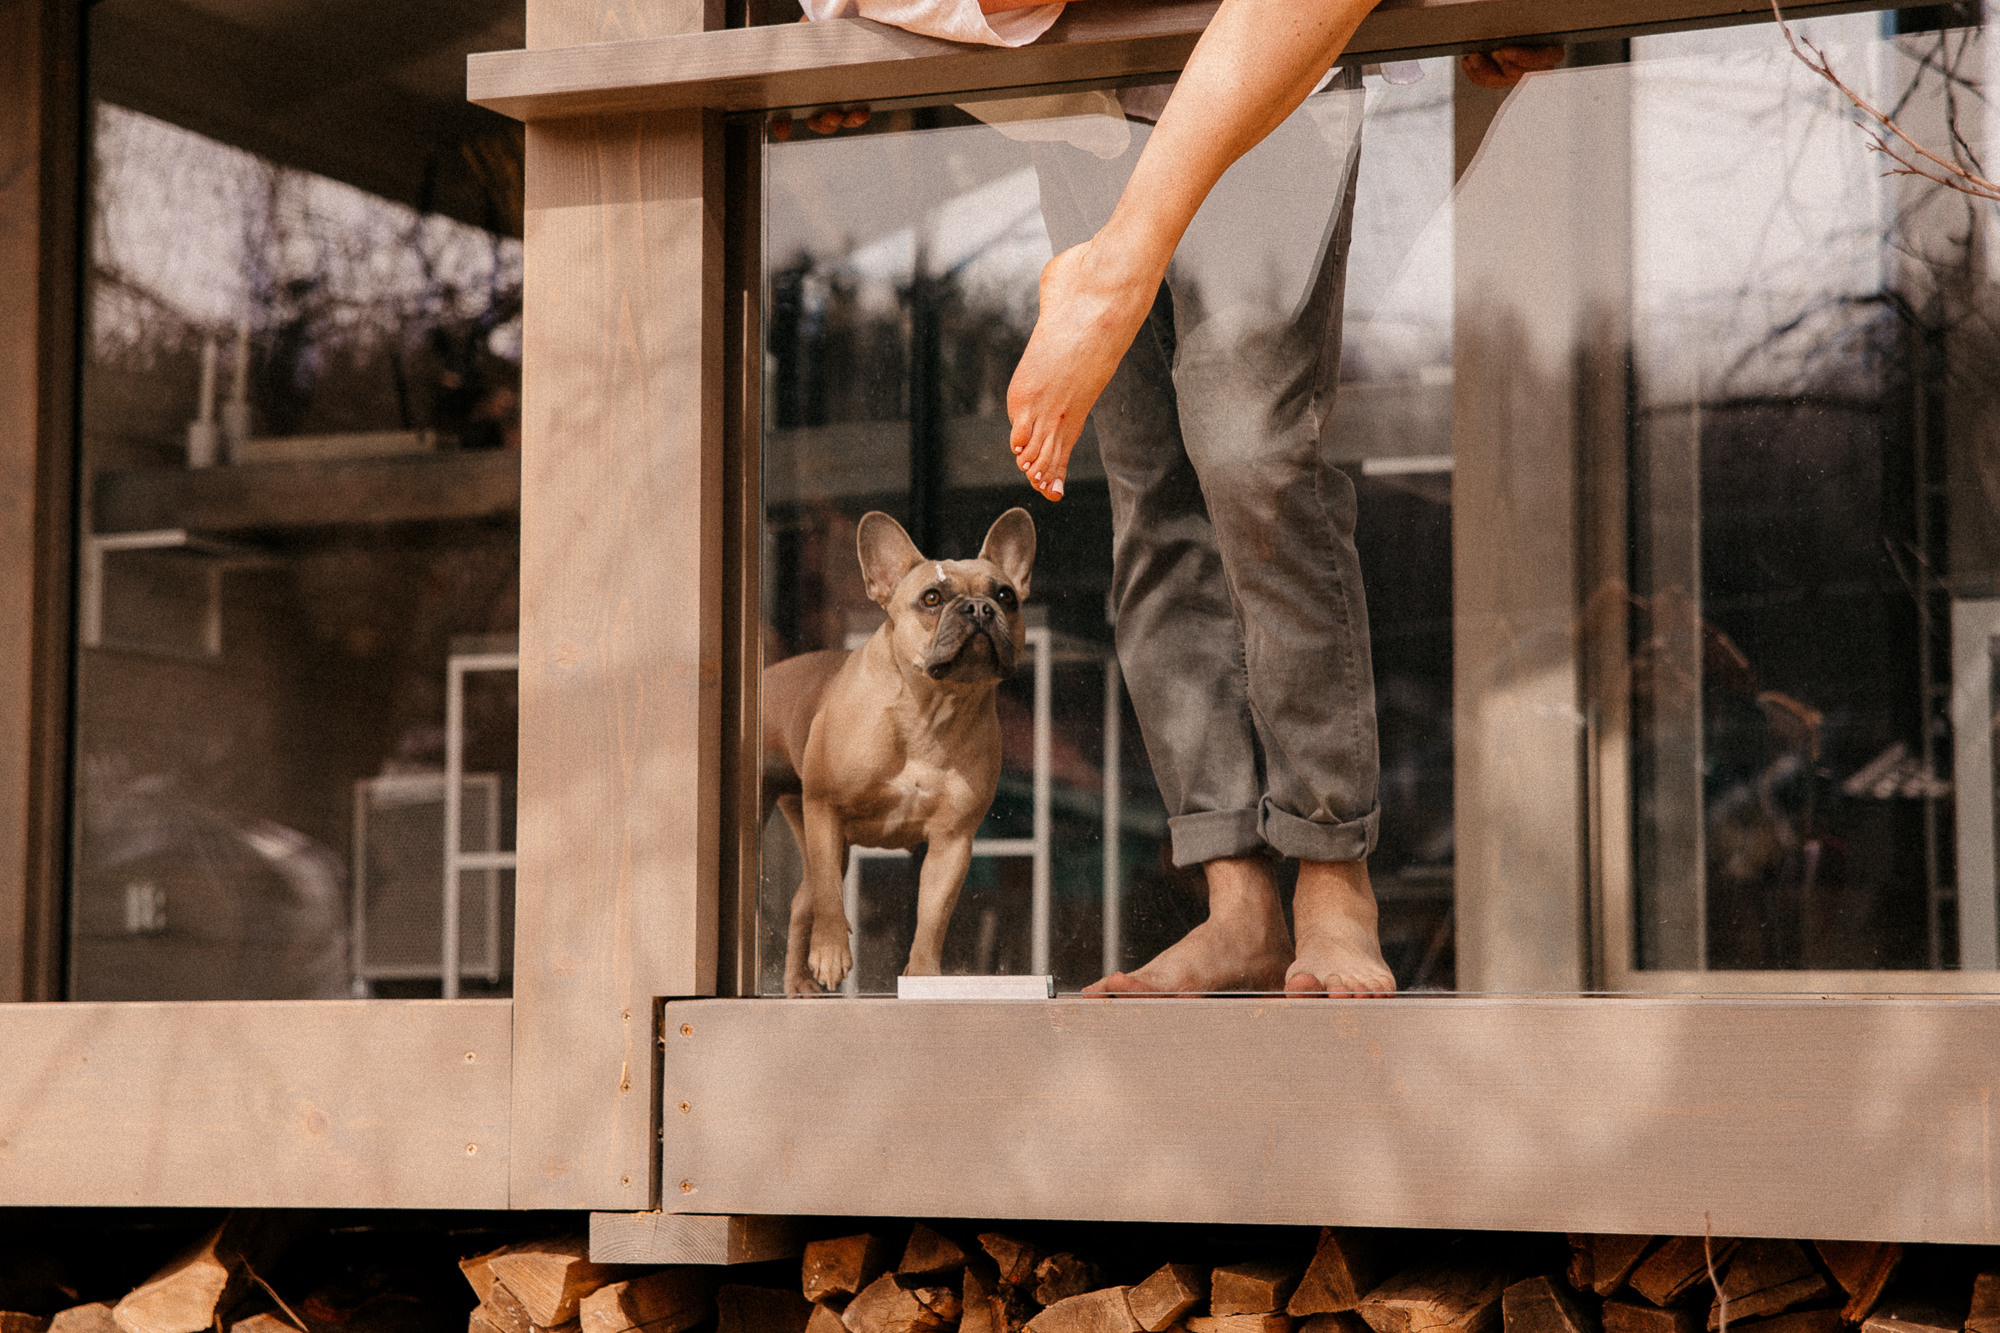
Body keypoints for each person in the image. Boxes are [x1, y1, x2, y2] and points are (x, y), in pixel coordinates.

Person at [1002, 8, 1560, 997]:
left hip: (1260, 81)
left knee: (1251, 455)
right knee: (1151, 495)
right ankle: (1235, 902)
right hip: (1078, 105)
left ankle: (1330, 873)